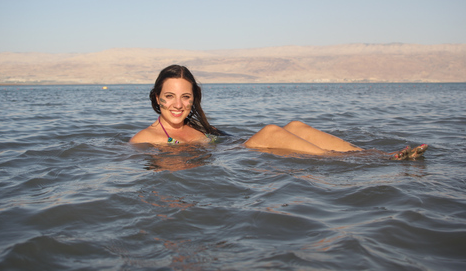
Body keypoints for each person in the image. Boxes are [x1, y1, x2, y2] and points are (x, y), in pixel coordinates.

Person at [130, 65, 428, 160]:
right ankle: (356, 162)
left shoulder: (196, 125)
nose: (178, 105)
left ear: (194, 99)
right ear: (157, 98)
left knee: (295, 124)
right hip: (239, 159)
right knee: (273, 130)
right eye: (169, 97)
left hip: (235, 148)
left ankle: (371, 154)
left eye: (186, 97)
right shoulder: (146, 137)